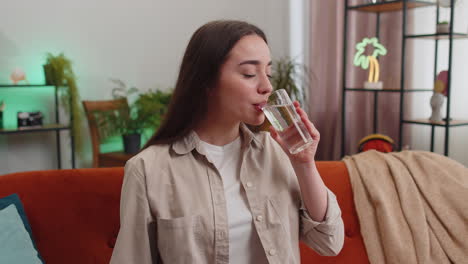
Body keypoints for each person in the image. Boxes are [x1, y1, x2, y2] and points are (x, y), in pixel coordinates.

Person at [110, 20, 344, 264]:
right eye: (249, 74)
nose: (267, 86)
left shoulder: (275, 152)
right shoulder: (148, 170)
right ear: (207, 81)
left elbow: (329, 242)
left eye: (269, 73)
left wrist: (304, 163)